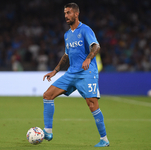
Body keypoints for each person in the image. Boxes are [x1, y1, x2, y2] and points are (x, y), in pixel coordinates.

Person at [42, 3, 109, 147]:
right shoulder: (67, 35)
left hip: (86, 73)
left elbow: (96, 46)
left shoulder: (85, 30)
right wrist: (55, 70)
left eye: (69, 13)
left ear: (76, 14)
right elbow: (66, 55)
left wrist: (88, 58)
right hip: (71, 73)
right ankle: (48, 131)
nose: (66, 15)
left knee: (92, 105)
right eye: (65, 13)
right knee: (47, 95)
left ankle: (104, 139)